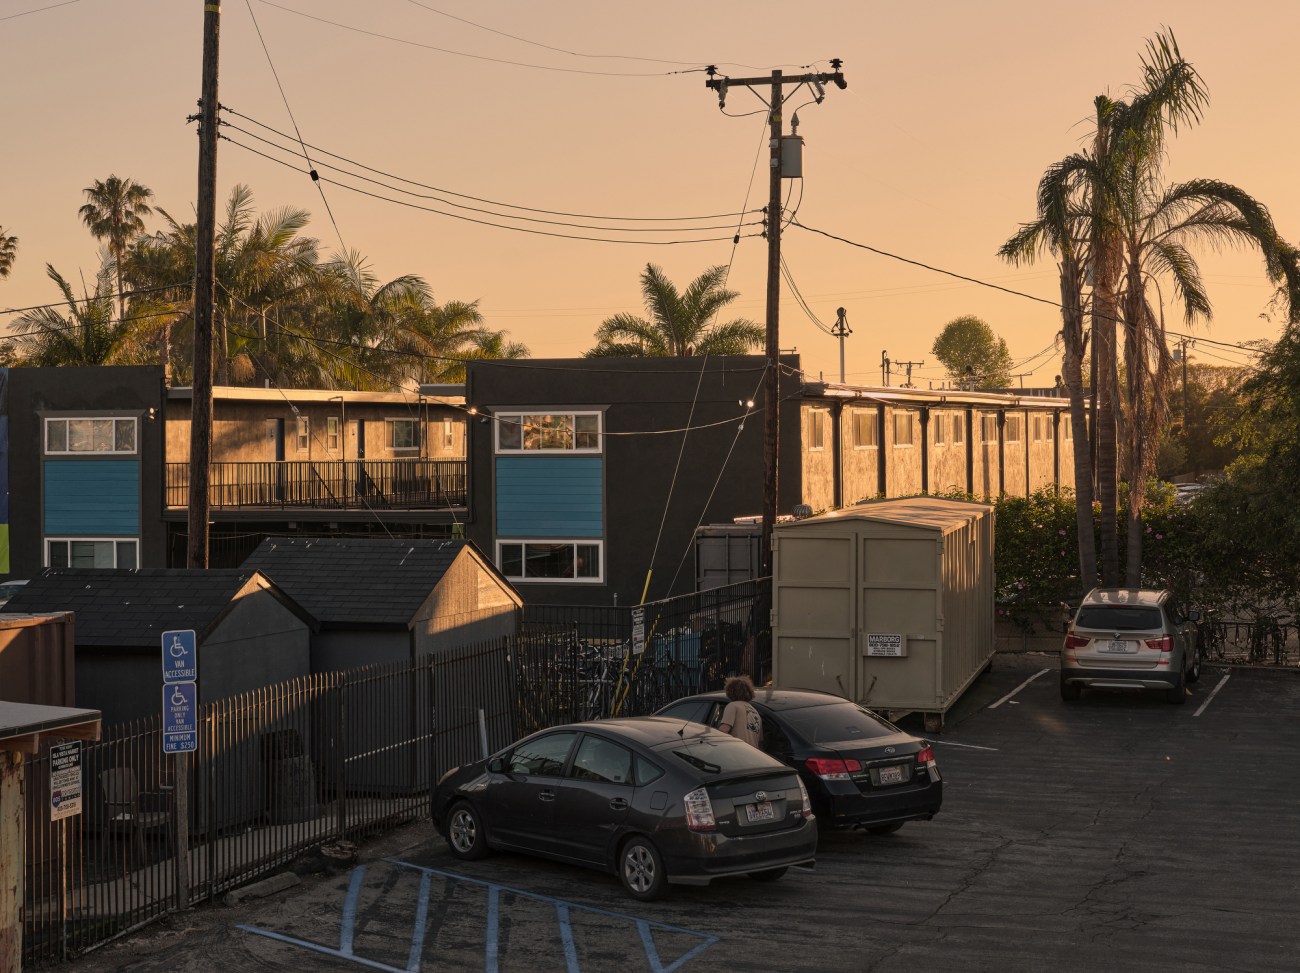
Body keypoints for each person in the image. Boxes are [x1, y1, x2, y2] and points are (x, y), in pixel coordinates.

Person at [718, 675, 763, 749]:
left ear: (730, 691)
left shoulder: (732, 706)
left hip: (737, 753)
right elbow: (760, 742)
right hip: (753, 755)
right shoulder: (756, 712)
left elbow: (724, 730)